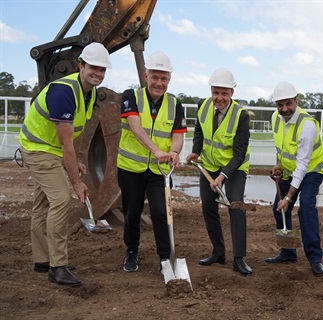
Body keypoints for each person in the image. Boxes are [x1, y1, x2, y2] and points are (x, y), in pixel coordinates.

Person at [18, 42, 112, 287]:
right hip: (38, 148)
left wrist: (77, 161)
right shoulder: (64, 92)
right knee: (61, 200)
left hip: (51, 148)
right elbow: (66, 142)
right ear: (81, 65)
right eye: (93, 68)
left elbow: (76, 133)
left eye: (102, 70)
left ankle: (42, 260)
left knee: (42, 204)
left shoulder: (88, 93)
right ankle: (57, 266)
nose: (98, 74)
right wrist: (76, 182)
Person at [117, 51, 187, 273]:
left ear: (169, 80)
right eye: (154, 77)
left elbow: (177, 135)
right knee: (132, 213)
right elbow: (136, 128)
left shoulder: (175, 104)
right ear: (146, 77)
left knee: (161, 213)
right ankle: (131, 251)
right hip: (131, 169)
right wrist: (156, 150)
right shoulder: (130, 96)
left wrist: (174, 152)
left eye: (163, 78)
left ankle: (166, 258)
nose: (159, 83)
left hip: (160, 171)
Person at [185, 67, 252, 275]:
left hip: (234, 168)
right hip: (208, 165)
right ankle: (218, 252)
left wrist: (223, 176)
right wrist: (196, 152)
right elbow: (199, 130)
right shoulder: (203, 105)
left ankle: (239, 258)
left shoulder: (241, 115)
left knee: (236, 206)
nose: (219, 98)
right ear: (211, 91)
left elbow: (240, 153)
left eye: (224, 93)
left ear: (232, 93)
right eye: (216, 92)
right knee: (208, 208)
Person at [265, 81, 323, 277]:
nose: (285, 109)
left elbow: (303, 165)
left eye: (289, 104)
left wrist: (289, 196)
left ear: (296, 101)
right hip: (290, 170)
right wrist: (278, 165)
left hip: (311, 171)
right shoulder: (275, 118)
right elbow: (281, 147)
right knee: (279, 209)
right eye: (280, 105)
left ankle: (315, 258)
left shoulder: (307, 125)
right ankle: (288, 251)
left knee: (306, 208)